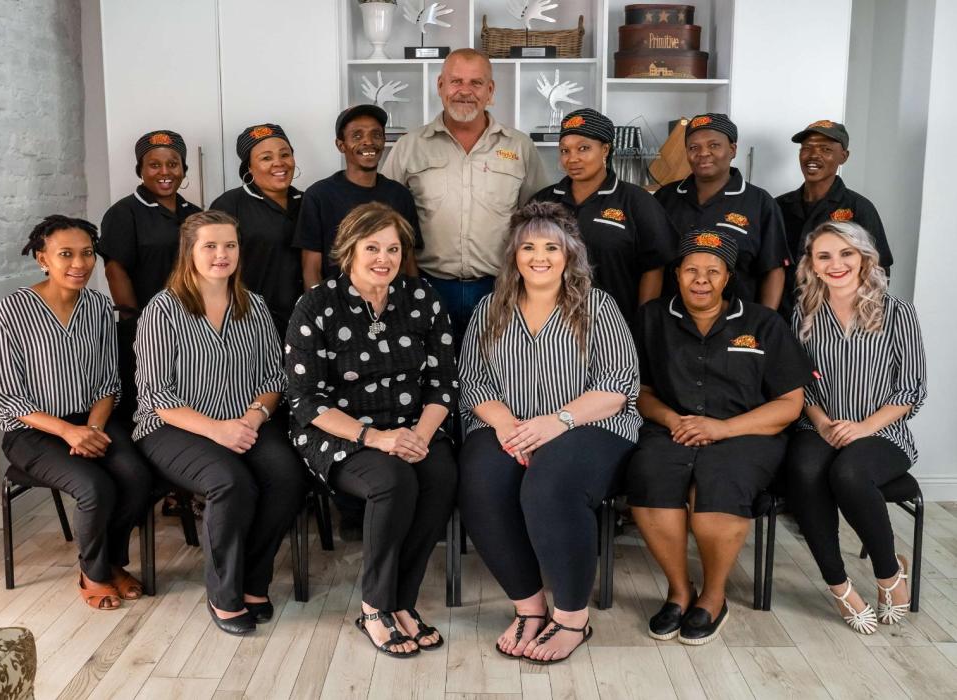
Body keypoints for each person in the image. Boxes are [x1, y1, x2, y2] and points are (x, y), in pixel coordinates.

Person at [457, 201, 641, 664]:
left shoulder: (597, 306)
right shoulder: (489, 309)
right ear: (513, 255)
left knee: (549, 484)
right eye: (528, 247)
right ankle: (529, 608)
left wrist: (556, 422)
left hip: (590, 424)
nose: (539, 257)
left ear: (569, 254)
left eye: (551, 248)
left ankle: (572, 618)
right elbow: (473, 381)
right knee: (480, 482)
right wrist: (507, 426)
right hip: (509, 423)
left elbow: (619, 386)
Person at [285, 202, 458, 658]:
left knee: (440, 475)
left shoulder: (421, 297)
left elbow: (442, 382)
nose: (384, 258)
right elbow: (305, 400)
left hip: (413, 425)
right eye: (372, 248)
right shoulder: (316, 304)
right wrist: (375, 438)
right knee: (392, 480)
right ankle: (375, 606)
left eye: (393, 249)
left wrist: (420, 437)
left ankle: (402, 601)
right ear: (349, 250)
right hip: (338, 432)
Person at [627, 229, 813, 645]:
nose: (701, 279)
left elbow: (789, 403)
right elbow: (639, 391)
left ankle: (713, 595)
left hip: (746, 432)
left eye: (713, 271)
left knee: (720, 484)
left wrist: (723, 428)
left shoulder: (763, 323)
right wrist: (673, 419)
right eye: (691, 270)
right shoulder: (652, 318)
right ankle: (679, 591)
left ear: (728, 277)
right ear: (677, 273)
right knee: (650, 476)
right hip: (672, 428)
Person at [133, 210, 307, 635]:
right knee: (230, 482)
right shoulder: (162, 311)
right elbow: (157, 395)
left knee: (287, 476)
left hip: (245, 420)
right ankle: (224, 594)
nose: (221, 254)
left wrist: (252, 416)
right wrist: (217, 429)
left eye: (229, 245)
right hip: (173, 427)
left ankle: (253, 581)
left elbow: (274, 377)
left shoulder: (254, 305)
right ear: (189, 252)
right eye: (209, 246)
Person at [0, 215, 152, 611]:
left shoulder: (97, 306)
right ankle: (93, 573)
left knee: (136, 476)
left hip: (92, 419)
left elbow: (108, 383)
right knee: (94, 487)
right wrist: (68, 432)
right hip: (31, 432)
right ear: (42, 259)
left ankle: (111, 562)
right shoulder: (13, 310)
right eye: (66, 254)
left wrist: (92, 429)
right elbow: (11, 399)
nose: (79, 264)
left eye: (87, 253)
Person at [785, 221, 925, 634]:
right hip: (819, 426)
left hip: (882, 432)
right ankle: (839, 586)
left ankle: (889, 573)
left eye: (846, 253)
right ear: (812, 264)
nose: (836, 264)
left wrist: (862, 428)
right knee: (804, 471)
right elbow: (799, 385)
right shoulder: (804, 313)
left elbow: (911, 389)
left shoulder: (897, 312)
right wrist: (822, 422)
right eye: (824, 256)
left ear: (864, 257)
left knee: (848, 472)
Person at [380, 48, 549, 343]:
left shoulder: (520, 147)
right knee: (432, 366)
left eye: (476, 83)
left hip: (499, 287)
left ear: (490, 90)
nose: (465, 91)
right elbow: (384, 218)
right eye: (456, 81)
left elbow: (538, 221)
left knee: (495, 367)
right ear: (440, 86)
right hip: (426, 285)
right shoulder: (409, 146)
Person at [531, 108, 678, 325]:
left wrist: (641, 324)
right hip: (552, 325)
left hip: (615, 324)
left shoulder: (636, 201)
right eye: (564, 151)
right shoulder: (544, 200)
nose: (572, 158)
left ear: (605, 149)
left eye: (583, 148)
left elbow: (654, 267)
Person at [98, 129, 200, 425]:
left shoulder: (195, 215)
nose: (165, 172)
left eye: (173, 164)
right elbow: (115, 271)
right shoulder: (124, 213)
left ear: (183, 169)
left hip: (191, 325)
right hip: (144, 328)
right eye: (154, 165)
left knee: (187, 397)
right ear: (140, 170)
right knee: (149, 406)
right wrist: (137, 324)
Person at [654, 113, 790, 310]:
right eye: (694, 147)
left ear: (732, 150)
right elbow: (651, 265)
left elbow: (773, 269)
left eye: (714, 145)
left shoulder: (760, 203)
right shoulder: (664, 198)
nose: (703, 153)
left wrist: (764, 321)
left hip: (737, 322)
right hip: (670, 319)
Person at [295, 104, 422, 288]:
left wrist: (415, 300)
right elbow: (311, 268)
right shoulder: (318, 196)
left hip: (391, 301)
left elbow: (408, 261)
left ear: (384, 140)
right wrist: (317, 304)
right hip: (336, 302)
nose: (368, 141)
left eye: (376, 135)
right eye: (357, 135)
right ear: (341, 145)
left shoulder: (400, 195)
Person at [776, 120, 893, 316]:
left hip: (834, 321)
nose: (814, 155)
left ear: (843, 157)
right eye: (807, 148)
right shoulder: (778, 206)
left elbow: (879, 271)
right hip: (783, 319)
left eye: (826, 149)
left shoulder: (858, 208)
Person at [210, 123, 303, 340]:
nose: (279, 163)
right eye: (266, 158)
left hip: (303, 321)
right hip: (248, 323)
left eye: (285, 154)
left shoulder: (308, 202)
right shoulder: (229, 205)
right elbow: (211, 270)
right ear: (249, 168)